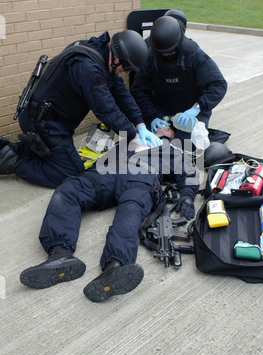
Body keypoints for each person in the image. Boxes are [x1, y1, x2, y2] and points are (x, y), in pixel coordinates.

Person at [19, 128, 199, 303]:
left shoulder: (171, 150)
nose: (160, 128)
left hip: (141, 176)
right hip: (106, 173)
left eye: (165, 128)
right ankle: (59, 254)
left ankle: (114, 267)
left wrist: (188, 197)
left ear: (172, 134)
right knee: (67, 191)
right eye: (156, 125)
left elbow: (189, 173)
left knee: (130, 211)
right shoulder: (129, 139)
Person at [0, 30, 161, 188]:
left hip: (48, 119)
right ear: (117, 58)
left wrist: (140, 125)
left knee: (58, 157)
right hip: (43, 123)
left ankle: (13, 149)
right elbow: (107, 110)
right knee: (70, 173)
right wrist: (133, 137)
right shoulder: (88, 68)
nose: (126, 72)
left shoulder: (101, 53)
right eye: (126, 67)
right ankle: (13, 163)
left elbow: (121, 93)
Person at [131, 14, 231, 166]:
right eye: (162, 53)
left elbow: (218, 84)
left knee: (186, 148)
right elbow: (139, 91)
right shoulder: (149, 54)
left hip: (190, 111)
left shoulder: (193, 53)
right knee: (150, 146)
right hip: (161, 111)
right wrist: (153, 116)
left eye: (169, 52)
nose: (165, 55)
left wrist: (197, 108)